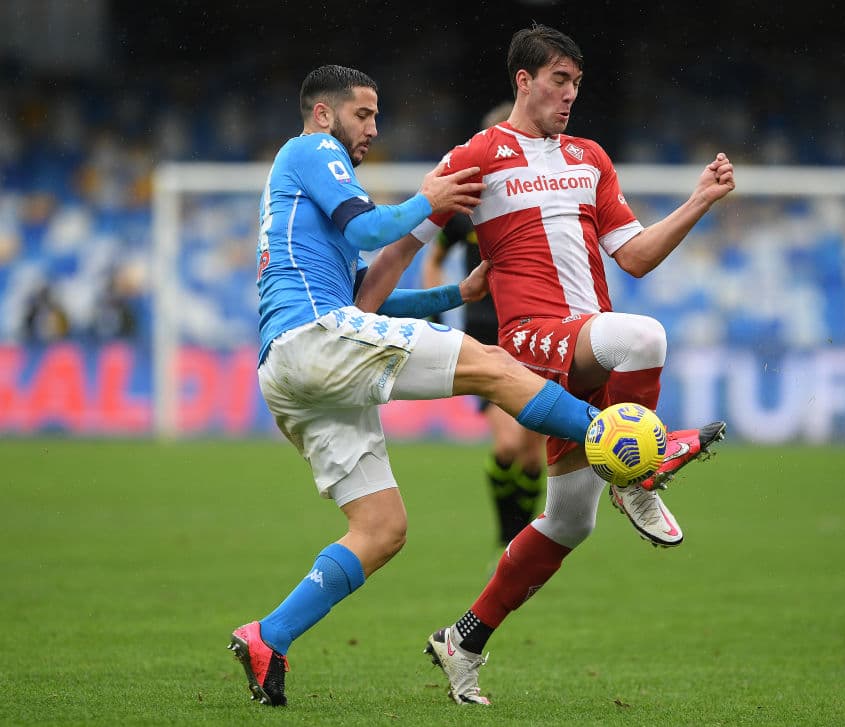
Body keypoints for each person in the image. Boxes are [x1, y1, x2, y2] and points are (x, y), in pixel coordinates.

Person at [228, 64, 626, 708]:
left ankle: (268, 637)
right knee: (492, 364)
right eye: (364, 114)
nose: (373, 128)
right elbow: (369, 231)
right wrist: (431, 200)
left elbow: (366, 295)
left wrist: (454, 293)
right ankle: (622, 439)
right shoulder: (310, 150)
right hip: (316, 338)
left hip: (295, 368)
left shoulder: (308, 202)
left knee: (381, 528)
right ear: (325, 113)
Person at [384, 24, 735, 705]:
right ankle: (642, 469)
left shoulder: (590, 158)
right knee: (647, 337)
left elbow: (631, 256)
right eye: (559, 80)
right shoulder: (478, 155)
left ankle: (464, 638)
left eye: (577, 83)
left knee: (570, 521)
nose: (571, 94)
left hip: (589, 345)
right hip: (534, 344)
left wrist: (699, 200)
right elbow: (414, 231)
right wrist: (375, 295)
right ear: (523, 80)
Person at [421, 101, 547, 550]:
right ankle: (508, 538)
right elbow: (432, 259)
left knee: (533, 453)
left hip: (535, 331)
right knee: (508, 444)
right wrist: (437, 306)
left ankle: (521, 544)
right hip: (487, 334)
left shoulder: (539, 203)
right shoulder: (465, 208)